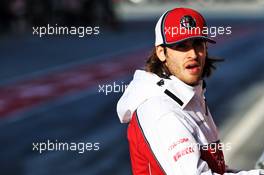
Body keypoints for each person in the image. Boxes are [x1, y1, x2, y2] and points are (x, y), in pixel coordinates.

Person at [116, 7, 264, 175]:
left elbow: (214, 169)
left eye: (198, 44)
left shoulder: (189, 95)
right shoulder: (161, 110)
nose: (193, 54)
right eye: (181, 46)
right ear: (161, 52)